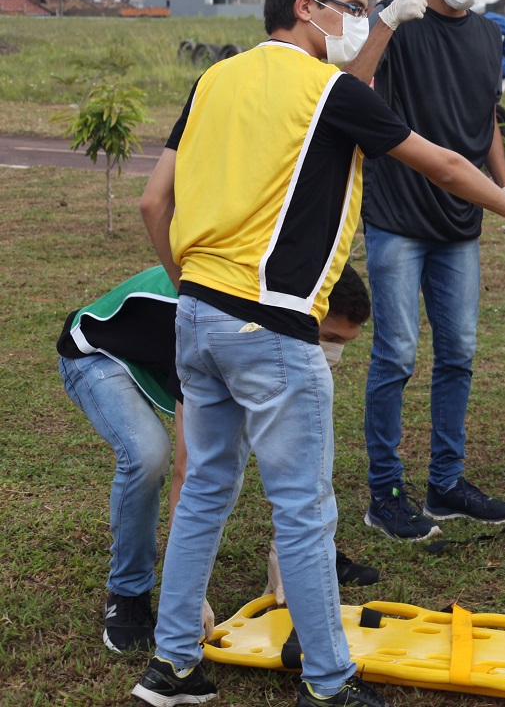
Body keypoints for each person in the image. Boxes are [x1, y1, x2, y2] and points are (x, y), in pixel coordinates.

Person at [132, 0, 505, 707]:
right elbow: (445, 165)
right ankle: (329, 683)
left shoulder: (213, 80)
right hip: (271, 327)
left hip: (197, 315)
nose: (362, 24)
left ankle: (173, 667)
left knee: (205, 495)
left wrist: (193, 288)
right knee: (304, 508)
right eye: (355, 9)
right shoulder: (326, 90)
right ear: (308, 7)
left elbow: (152, 203)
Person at [58, 266, 379, 654]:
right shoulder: (218, 324)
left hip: (174, 350)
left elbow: (296, 450)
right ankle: (128, 593)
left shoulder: (280, 318)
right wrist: (189, 598)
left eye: (344, 342)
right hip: (97, 352)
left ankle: (307, 562)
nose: (333, 353)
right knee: (149, 455)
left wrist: (287, 555)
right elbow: (189, 470)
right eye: (327, 337)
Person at [360, 0, 505, 543]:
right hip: (398, 218)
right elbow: (352, 86)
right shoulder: (400, 26)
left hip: (461, 223)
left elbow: (484, 126)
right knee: (396, 356)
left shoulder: (487, 38)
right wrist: (386, 20)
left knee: (458, 354)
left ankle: (447, 483)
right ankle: (386, 493)